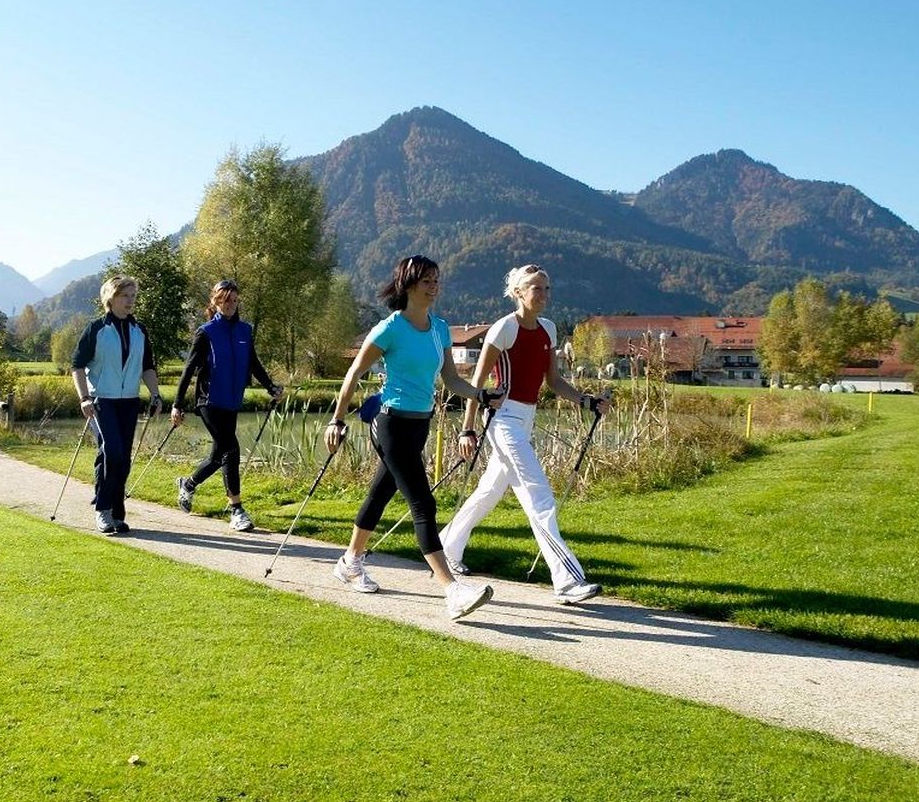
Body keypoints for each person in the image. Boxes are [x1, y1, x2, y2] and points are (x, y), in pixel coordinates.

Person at [324, 255, 502, 621]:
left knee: (380, 492)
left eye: (437, 279)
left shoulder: (440, 329)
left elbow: (450, 379)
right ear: (408, 285)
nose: (434, 286)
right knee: (423, 503)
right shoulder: (390, 328)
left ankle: (350, 562)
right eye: (427, 281)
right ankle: (451, 590)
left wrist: (480, 395)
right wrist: (336, 420)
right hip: (390, 423)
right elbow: (355, 373)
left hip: (421, 424)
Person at [440, 263, 609, 603]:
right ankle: (567, 581)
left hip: (526, 419)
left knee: (489, 492)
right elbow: (477, 384)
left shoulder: (548, 330)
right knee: (539, 496)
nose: (543, 295)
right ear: (518, 292)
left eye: (546, 288)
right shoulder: (503, 329)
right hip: (502, 420)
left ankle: (446, 548)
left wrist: (586, 400)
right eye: (535, 288)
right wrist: (467, 429)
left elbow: (554, 382)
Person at [171, 279, 283, 532]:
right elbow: (189, 369)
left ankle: (188, 484)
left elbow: (253, 363)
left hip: (232, 400)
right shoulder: (206, 332)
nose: (230, 304)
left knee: (218, 455)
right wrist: (177, 404)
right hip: (209, 400)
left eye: (234, 300)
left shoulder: (245, 331)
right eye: (225, 299)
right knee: (231, 449)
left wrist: (270, 386)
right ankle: (236, 509)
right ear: (215, 301)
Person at [71, 275, 163, 535]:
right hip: (102, 400)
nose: (130, 301)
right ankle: (102, 510)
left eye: (133, 296)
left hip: (129, 402)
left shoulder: (139, 331)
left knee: (122, 458)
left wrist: (155, 395)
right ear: (111, 299)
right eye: (125, 296)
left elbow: (147, 367)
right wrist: (84, 398)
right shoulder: (96, 329)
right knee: (112, 452)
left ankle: (117, 514)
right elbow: (77, 365)